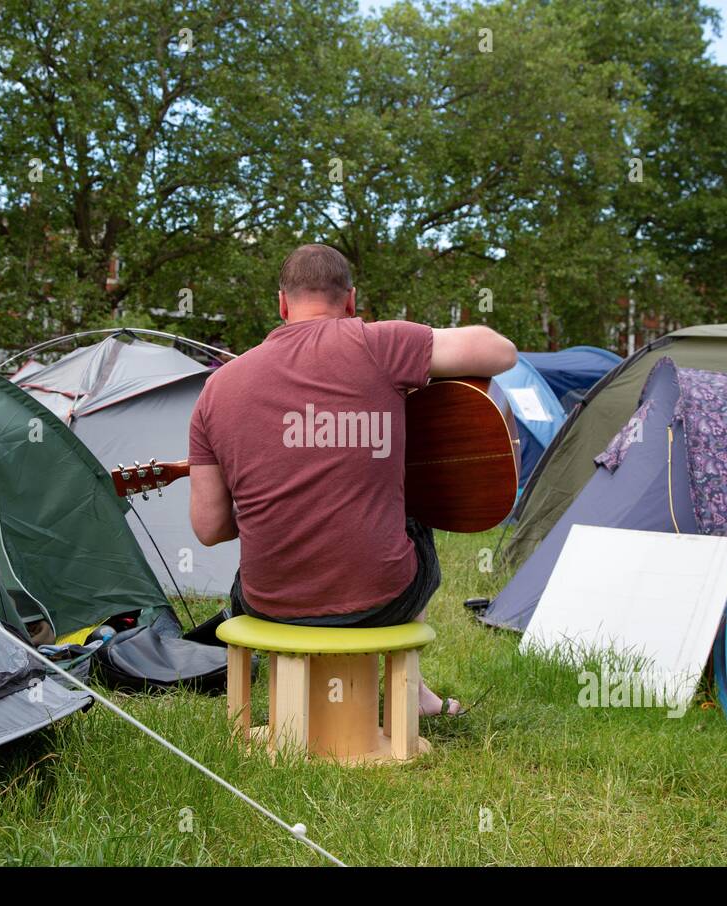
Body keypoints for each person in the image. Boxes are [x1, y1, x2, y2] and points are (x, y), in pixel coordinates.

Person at [188, 243, 517, 716]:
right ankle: (413, 695)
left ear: (282, 304)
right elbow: (499, 351)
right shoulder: (379, 343)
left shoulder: (216, 388)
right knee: (413, 510)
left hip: (265, 606)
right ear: (351, 301)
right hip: (383, 602)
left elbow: (209, 528)